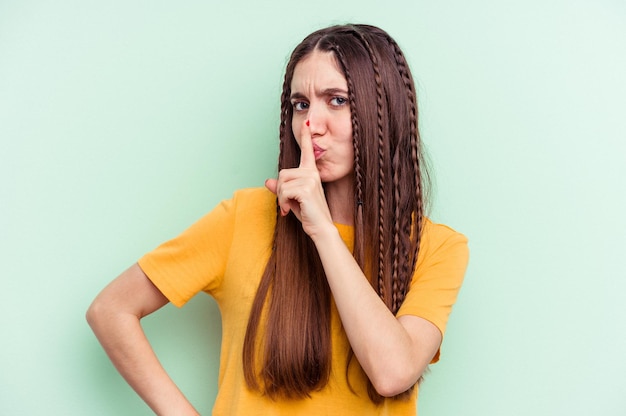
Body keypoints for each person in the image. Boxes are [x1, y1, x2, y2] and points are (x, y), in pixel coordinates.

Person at [86, 23, 469, 415]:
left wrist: (321, 229)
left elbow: (392, 372)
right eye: (301, 104)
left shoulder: (436, 248)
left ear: (383, 111)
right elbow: (110, 309)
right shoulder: (243, 218)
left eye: (336, 100)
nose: (311, 125)